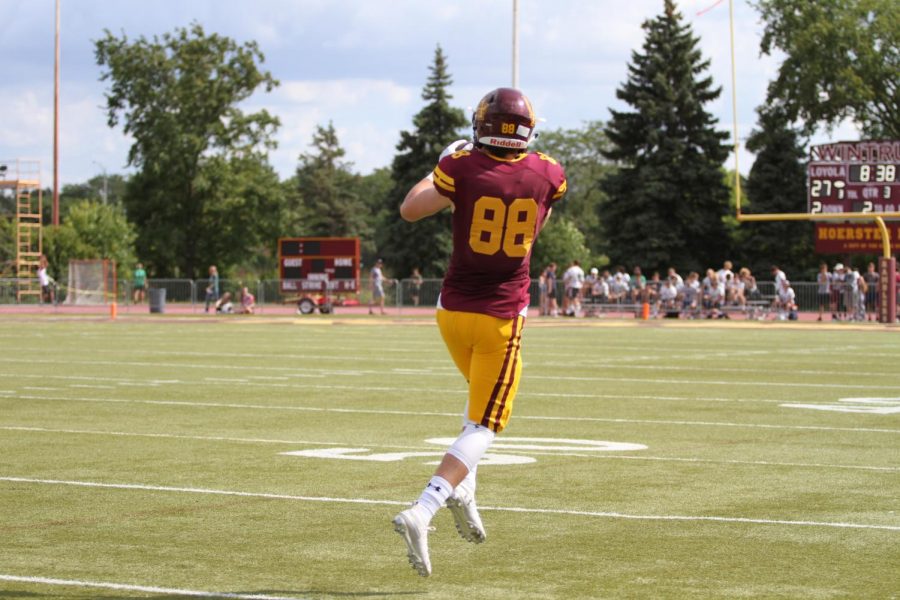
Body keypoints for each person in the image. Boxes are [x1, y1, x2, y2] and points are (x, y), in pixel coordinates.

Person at [394, 87, 566, 577]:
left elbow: (410, 209)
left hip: (451, 311)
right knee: (485, 425)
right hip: (501, 317)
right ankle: (423, 507)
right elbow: (538, 223)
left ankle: (465, 491)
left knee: (477, 413)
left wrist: (443, 163)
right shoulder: (548, 173)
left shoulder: (462, 168)